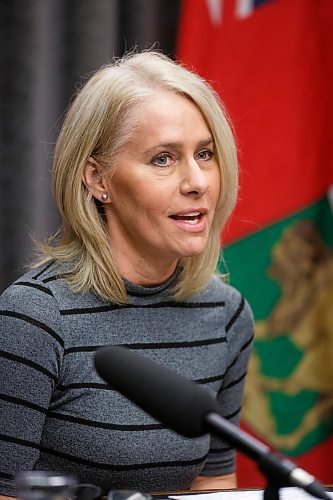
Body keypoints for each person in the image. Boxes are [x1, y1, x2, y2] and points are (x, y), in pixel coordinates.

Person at [0, 50, 254, 497]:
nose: (197, 181)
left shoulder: (226, 315)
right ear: (98, 179)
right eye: (163, 159)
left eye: (205, 153)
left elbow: (211, 483)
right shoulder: (34, 319)